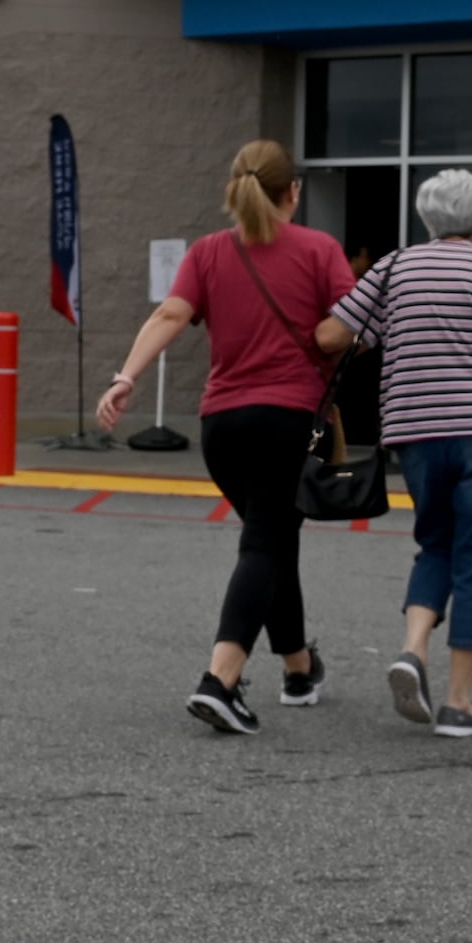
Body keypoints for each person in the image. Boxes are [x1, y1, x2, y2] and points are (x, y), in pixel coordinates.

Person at [98, 140, 348, 733]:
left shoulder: (208, 252)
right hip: (289, 419)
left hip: (223, 428)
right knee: (267, 539)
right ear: (294, 192)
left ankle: (298, 666)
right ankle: (220, 680)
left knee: (272, 534)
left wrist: (125, 377)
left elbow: (169, 317)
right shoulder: (320, 250)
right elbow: (344, 329)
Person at [315, 169, 472, 738]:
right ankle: (459, 703)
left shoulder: (395, 267)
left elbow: (331, 337)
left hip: (414, 431)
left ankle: (413, 648)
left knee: (435, 542)